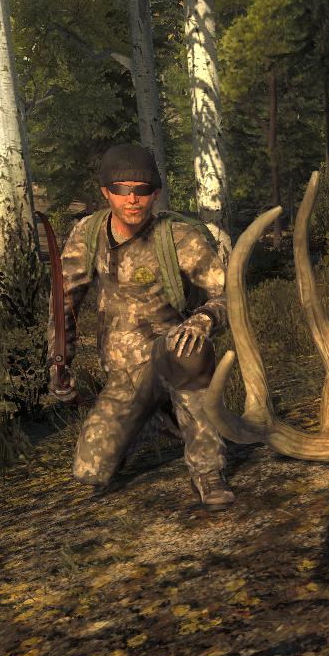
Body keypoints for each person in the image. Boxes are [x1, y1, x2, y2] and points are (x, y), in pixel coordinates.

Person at [48, 143, 235, 508]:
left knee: (190, 354)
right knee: (90, 470)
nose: (132, 199)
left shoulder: (178, 237)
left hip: (172, 351)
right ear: (106, 192)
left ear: (156, 193)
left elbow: (228, 294)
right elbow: (64, 302)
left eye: (142, 189)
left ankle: (208, 470)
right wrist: (59, 361)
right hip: (125, 372)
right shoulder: (88, 234)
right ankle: (153, 419)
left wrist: (204, 319)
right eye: (122, 189)